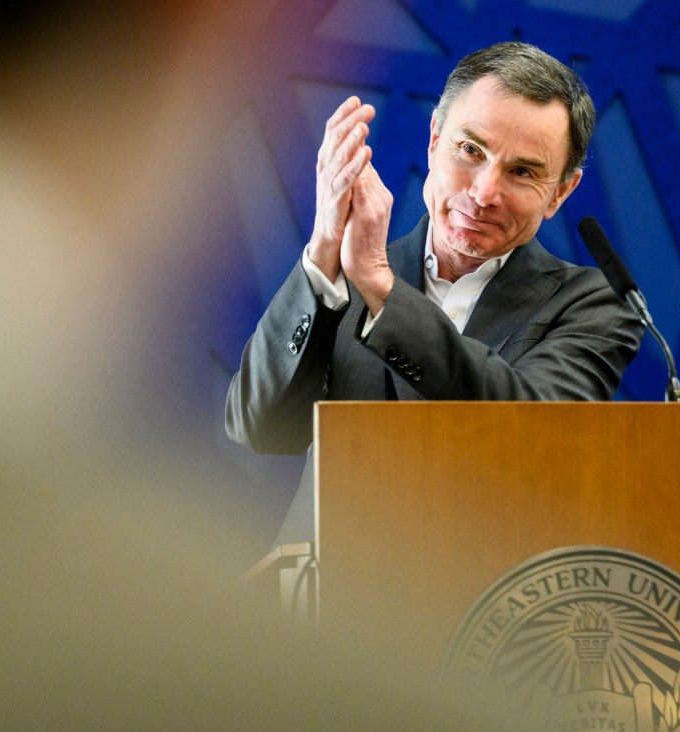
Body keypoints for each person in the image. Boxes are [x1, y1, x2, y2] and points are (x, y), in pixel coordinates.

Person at [226, 42, 643, 544]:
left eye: (523, 171)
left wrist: (382, 289)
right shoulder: (337, 275)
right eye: (471, 150)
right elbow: (259, 426)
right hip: (324, 604)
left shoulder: (592, 306)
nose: (484, 192)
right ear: (433, 142)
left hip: (485, 607)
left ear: (560, 193)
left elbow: (534, 439)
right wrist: (321, 254)